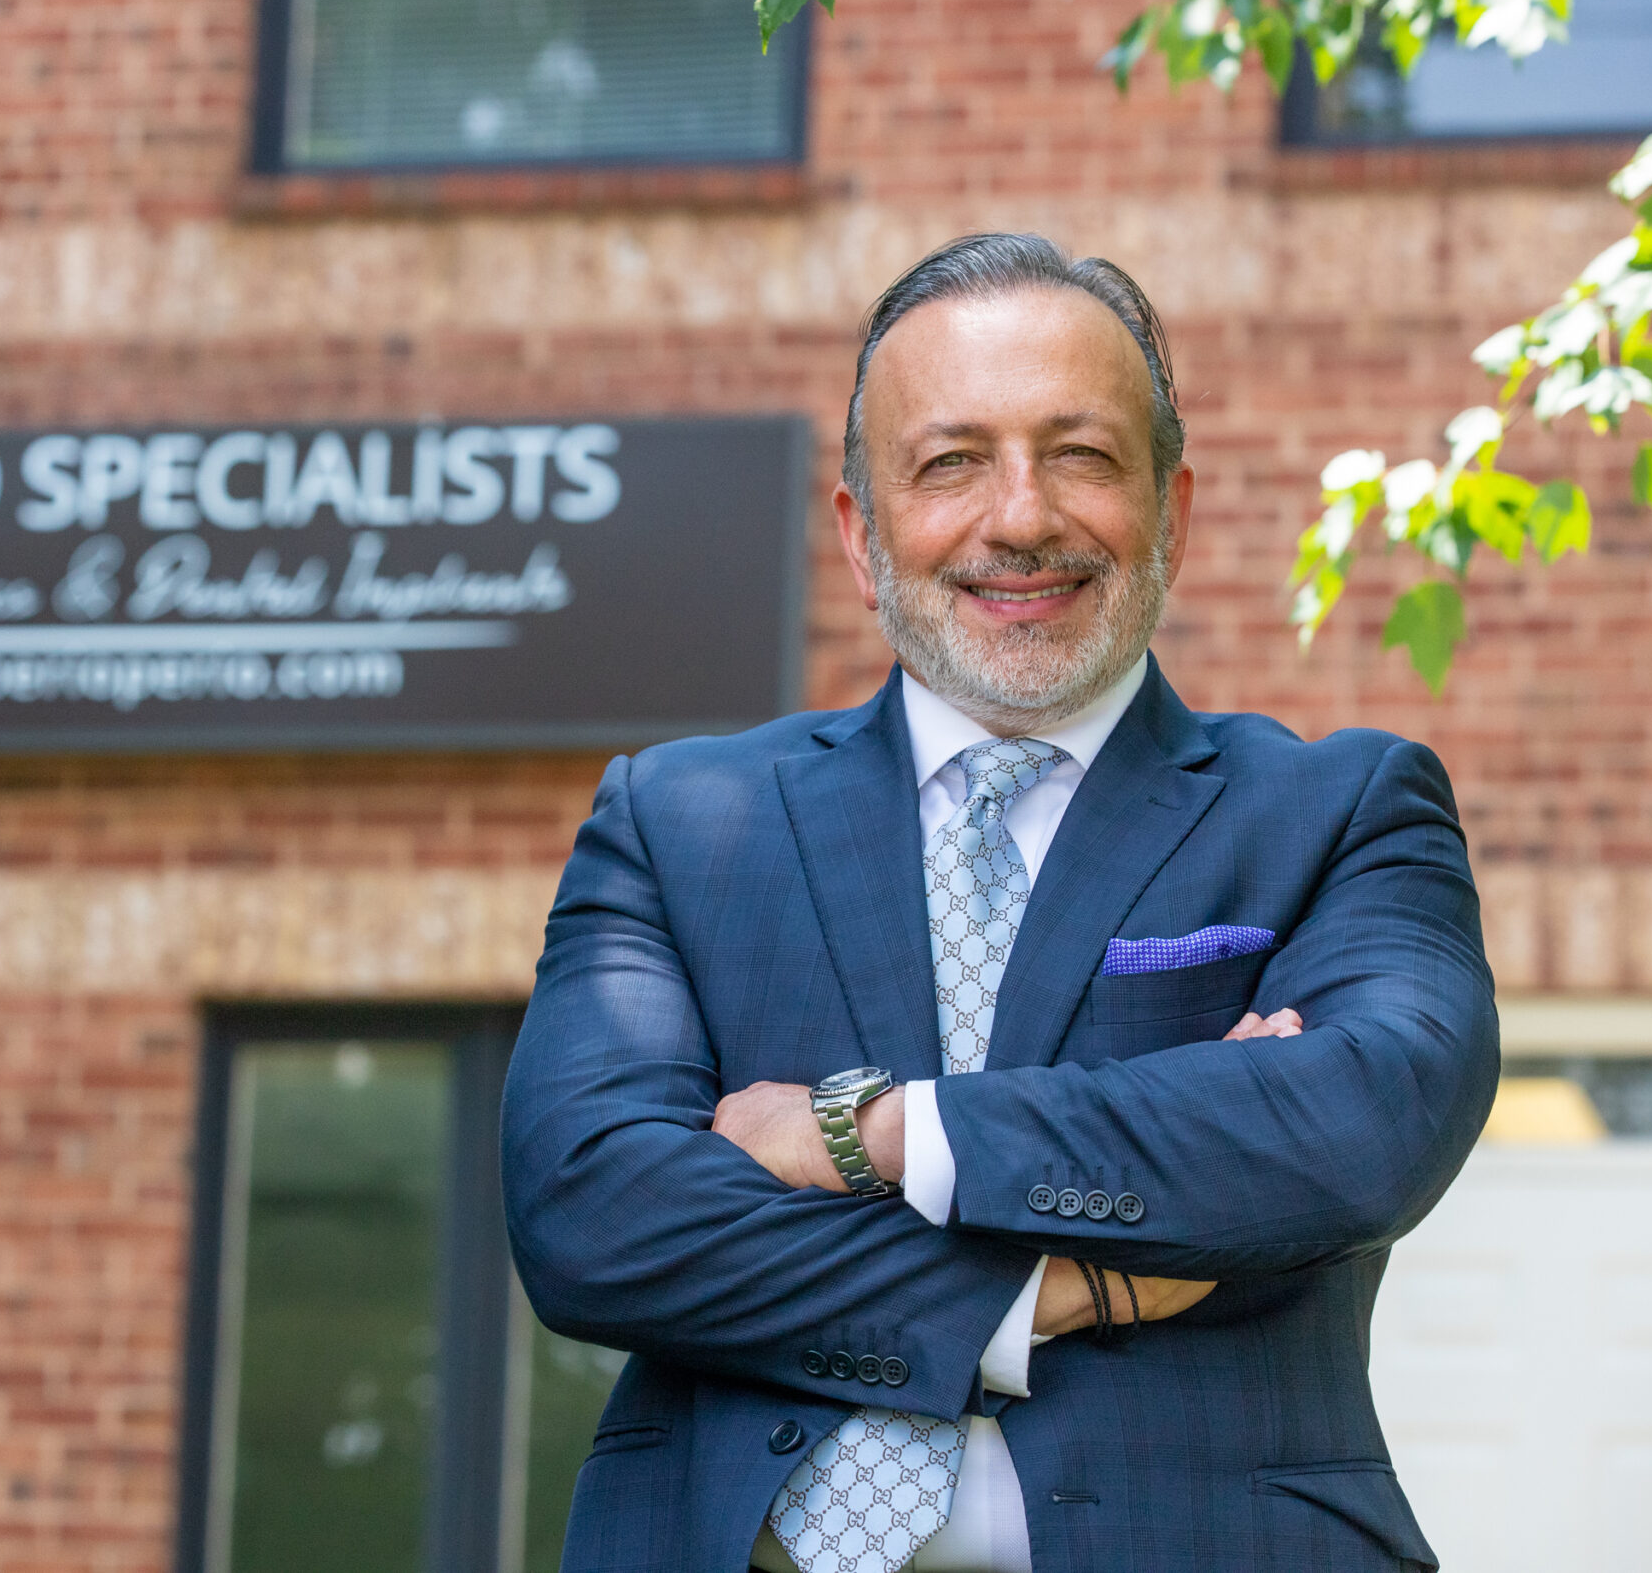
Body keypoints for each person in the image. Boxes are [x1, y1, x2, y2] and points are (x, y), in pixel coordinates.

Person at [501, 233, 1497, 1573]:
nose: (1021, 516)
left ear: (1176, 513)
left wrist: (867, 1133)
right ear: (862, 534)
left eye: (1080, 455)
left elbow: (1360, 1122)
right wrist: (1057, 1290)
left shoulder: (1339, 811)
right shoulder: (679, 825)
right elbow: (593, 1216)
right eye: (952, 462)